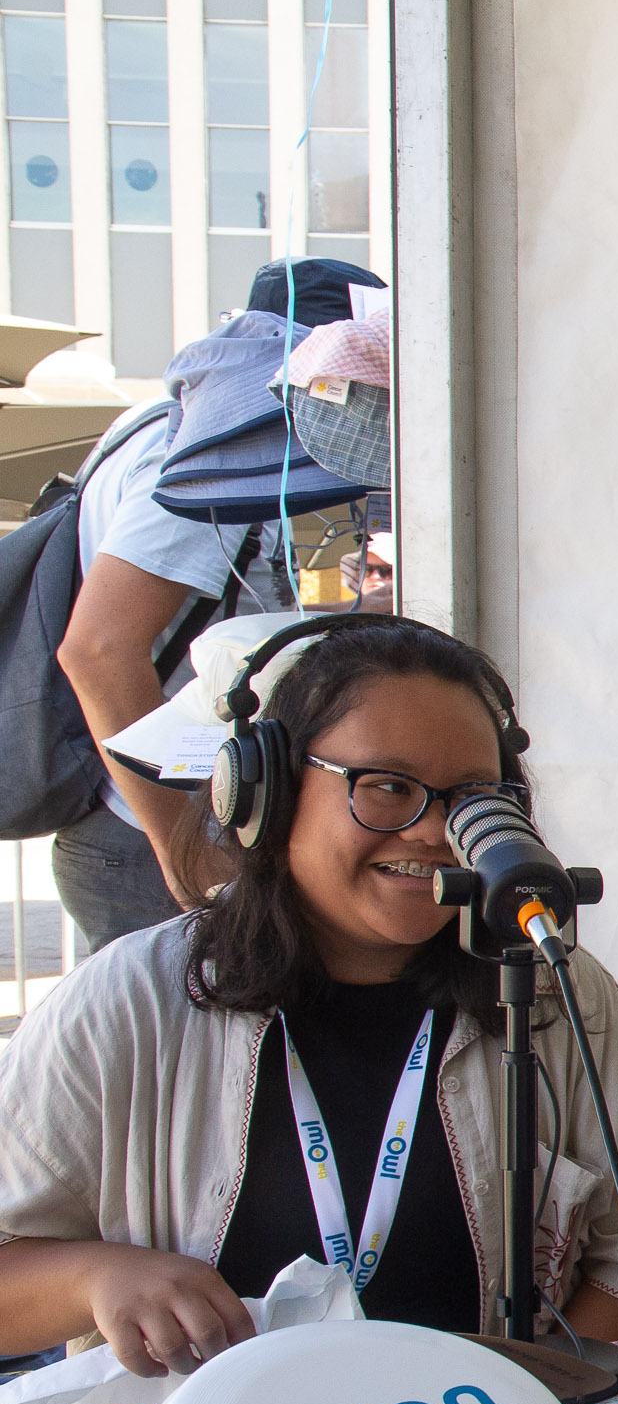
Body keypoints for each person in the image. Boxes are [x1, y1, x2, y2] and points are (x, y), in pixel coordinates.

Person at [0, 615, 618, 1374]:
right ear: (266, 793)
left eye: (472, 797)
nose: (434, 831)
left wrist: (508, 1400)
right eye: (386, 787)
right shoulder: (132, 1000)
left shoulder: (551, 991)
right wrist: (97, 1278)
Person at [52, 256, 384, 950]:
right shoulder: (212, 462)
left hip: (170, 812)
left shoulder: (166, 423)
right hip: (153, 827)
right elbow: (98, 648)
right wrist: (181, 845)